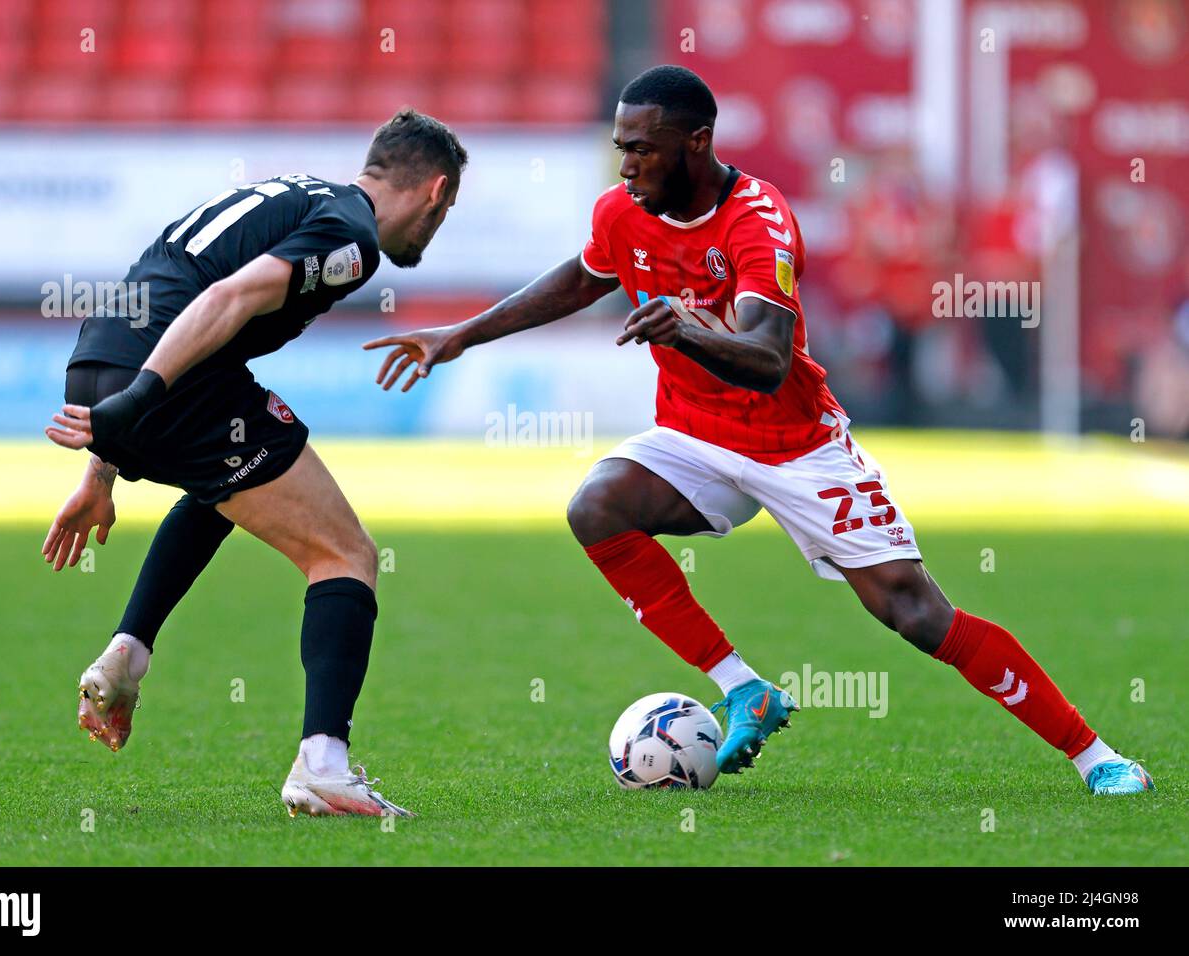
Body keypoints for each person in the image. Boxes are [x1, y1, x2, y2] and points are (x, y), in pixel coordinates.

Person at [362, 67, 1152, 796]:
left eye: (641, 149)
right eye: (619, 149)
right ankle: (745, 688)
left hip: (795, 445)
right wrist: (458, 335)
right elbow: (579, 277)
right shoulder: (622, 212)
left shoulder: (757, 221)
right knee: (594, 507)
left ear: (694, 143)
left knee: (915, 613)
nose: (626, 165)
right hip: (694, 437)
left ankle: (1097, 757)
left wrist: (689, 329)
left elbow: (770, 359)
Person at [42, 109, 468, 816]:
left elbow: (166, 283)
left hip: (97, 359)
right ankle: (323, 765)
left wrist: (101, 470)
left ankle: (128, 653)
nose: (436, 230)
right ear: (436, 191)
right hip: (161, 375)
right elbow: (227, 297)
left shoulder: (295, 192)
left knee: (229, 482)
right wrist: (142, 399)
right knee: (345, 554)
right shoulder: (351, 237)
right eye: (444, 213)